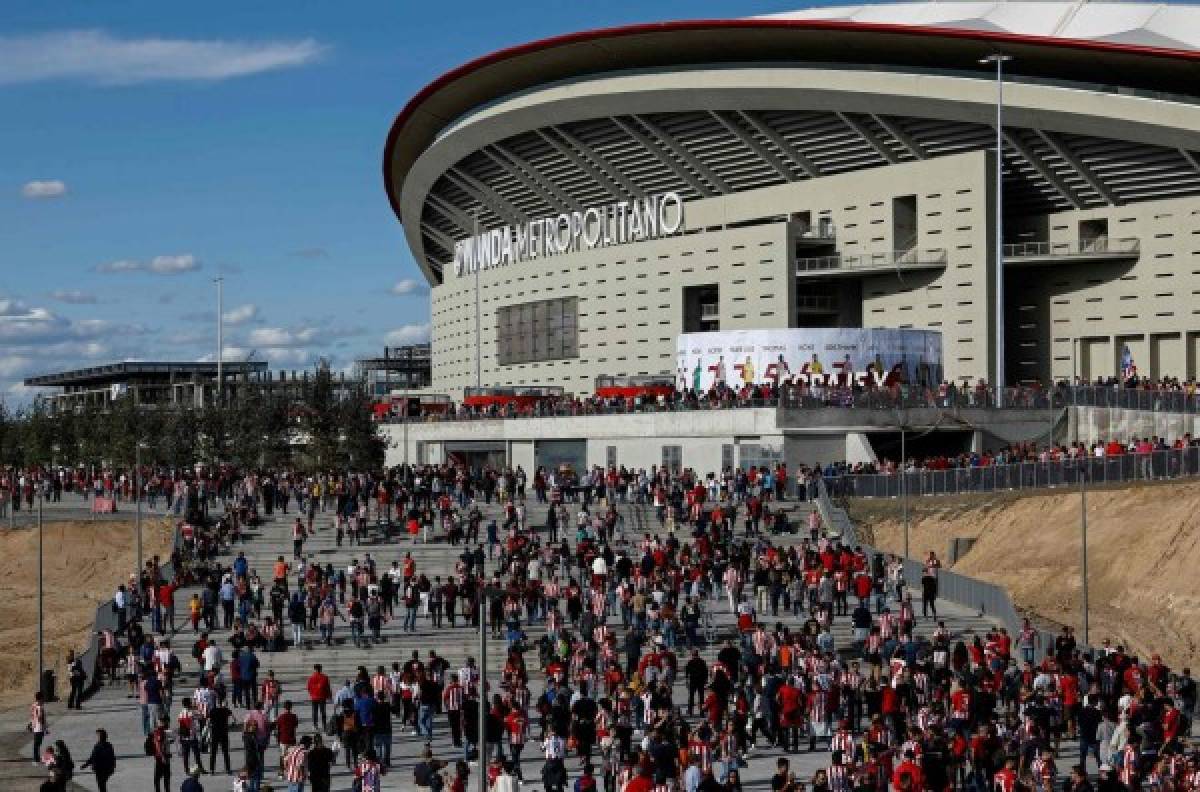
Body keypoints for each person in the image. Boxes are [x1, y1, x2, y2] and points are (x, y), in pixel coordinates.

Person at [81, 728, 116, 792]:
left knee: (101, 785)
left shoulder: (98, 746)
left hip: (100, 769)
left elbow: (93, 757)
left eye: (98, 735)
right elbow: (113, 757)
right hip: (106, 769)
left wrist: (85, 765)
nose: (98, 737)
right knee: (102, 785)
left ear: (102, 736)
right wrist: (113, 767)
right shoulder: (109, 745)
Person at [29, 690, 47, 764]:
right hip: (39, 727)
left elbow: (32, 715)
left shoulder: (33, 705)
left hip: (35, 726)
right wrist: (44, 728)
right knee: (38, 743)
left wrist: (31, 723)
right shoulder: (39, 707)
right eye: (43, 698)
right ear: (41, 698)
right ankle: (36, 758)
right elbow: (40, 718)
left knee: (36, 744)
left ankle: (36, 757)